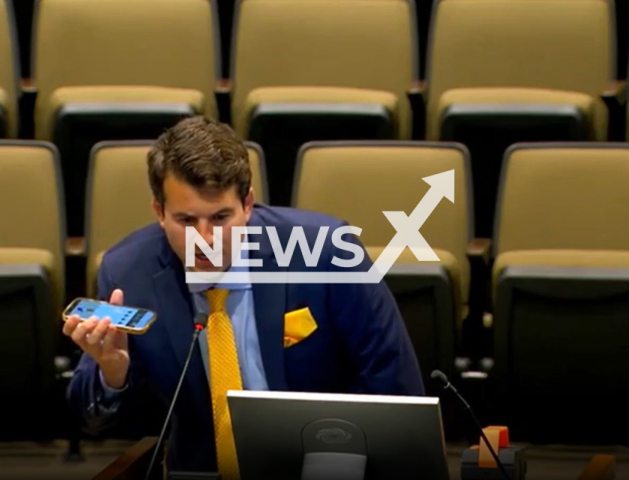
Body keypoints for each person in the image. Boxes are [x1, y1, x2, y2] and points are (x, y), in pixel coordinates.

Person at [64, 116, 424, 476]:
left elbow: (395, 388)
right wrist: (113, 373)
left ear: (247, 204)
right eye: (187, 221)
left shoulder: (327, 252)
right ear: (159, 212)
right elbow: (92, 421)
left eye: (220, 217)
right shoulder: (129, 274)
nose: (205, 239)